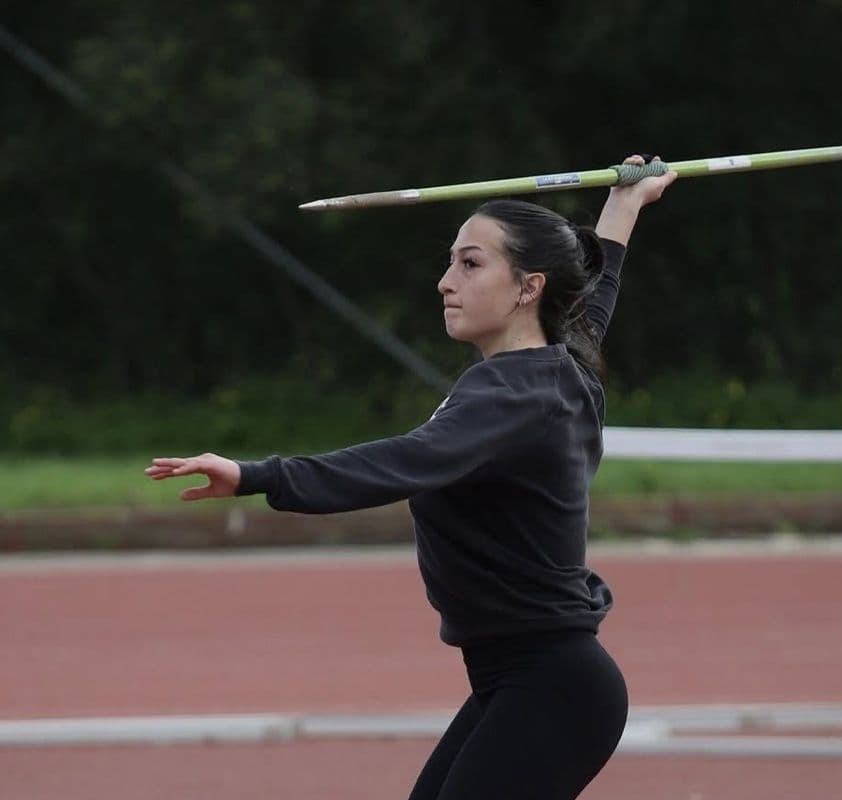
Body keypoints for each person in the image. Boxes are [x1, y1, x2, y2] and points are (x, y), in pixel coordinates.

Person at [145, 155, 676, 800]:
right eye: (451, 262)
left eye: (471, 264)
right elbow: (595, 304)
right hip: (524, 679)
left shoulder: (515, 395)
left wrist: (257, 475)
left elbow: (399, 462)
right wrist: (624, 207)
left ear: (528, 287)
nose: (445, 282)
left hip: (551, 686)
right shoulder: (562, 367)